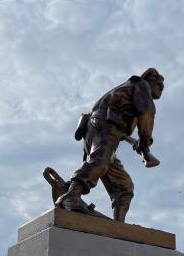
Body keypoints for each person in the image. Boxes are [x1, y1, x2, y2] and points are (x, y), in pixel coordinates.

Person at [55, 68, 164, 222]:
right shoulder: (141, 85)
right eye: (159, 83)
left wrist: (136, 143)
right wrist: (145, 145)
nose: (161, 88)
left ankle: (118, 224)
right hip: (106, 127)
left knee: (124, 186)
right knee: (101, 161)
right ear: (150, 80)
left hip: (98, 127)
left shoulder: (127, 92)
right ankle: (71, 196)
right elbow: (147, 112)